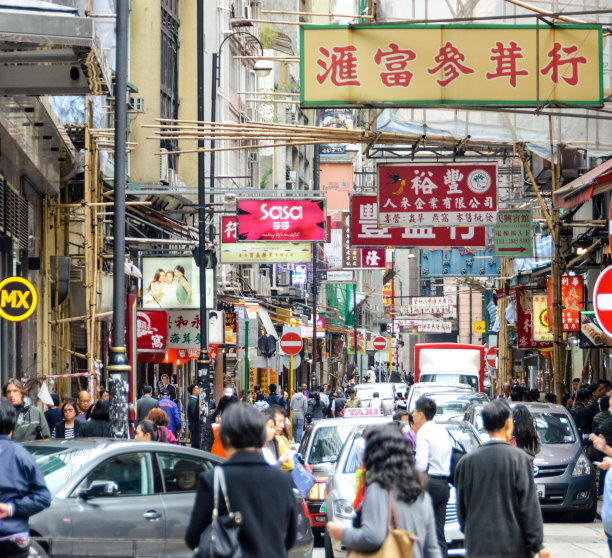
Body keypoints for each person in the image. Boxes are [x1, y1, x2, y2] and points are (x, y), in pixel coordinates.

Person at [185, 403, 297, 558]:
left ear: (227, 438)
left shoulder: (213, 479)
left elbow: (193, 538)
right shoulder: (283, 479)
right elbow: (290, 539)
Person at [327, 424, 441, 558]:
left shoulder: (378, 489)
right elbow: (432, 548)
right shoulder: (421, 493)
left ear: (374, 454)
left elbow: (373, 537)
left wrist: (342, 533)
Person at [455, 400, 549, 558]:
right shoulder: (519, 460)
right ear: (508, 424)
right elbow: (528, 506)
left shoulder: (466, 462)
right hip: (513, 546)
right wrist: (537, 544)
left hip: (478, 545)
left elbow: (462, 509)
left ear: (484, 426)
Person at [0, 397, 51, 557]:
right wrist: (10, 508)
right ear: (12, 426)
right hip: (14, 537)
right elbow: (43, 497)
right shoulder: (22, 455)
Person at [412, 397, 452, 557]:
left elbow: (421, 464)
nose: (413, 414)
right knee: (438, 533)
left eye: (415, 411)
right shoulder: (442, 430)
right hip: (443, 485)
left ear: (421, 414)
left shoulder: (423, 432)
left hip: (429, 485)